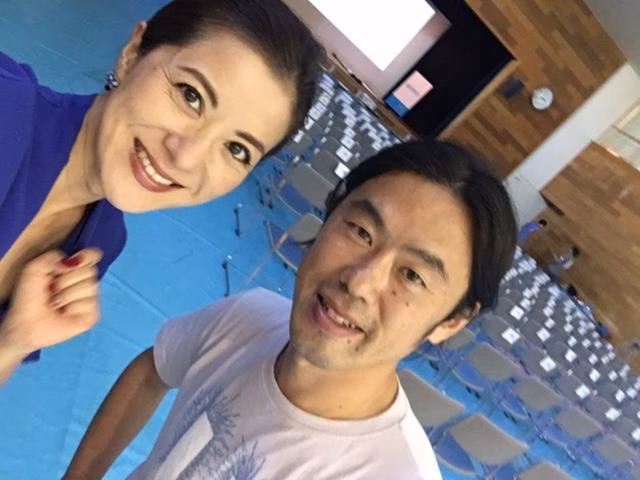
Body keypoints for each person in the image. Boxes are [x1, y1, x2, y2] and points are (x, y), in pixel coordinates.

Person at [64, 140, 517, 479]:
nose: (359, 281)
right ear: (329, 216)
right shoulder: (248, 316)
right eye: (360, 231)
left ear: (452, 321)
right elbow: (152, 371)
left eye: (412, 276)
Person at [0, 0, 322, 382]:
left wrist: (13, 342)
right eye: (191, 95)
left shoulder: (99, 241)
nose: (185, 157)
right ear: (132, 54)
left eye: (236, 149)